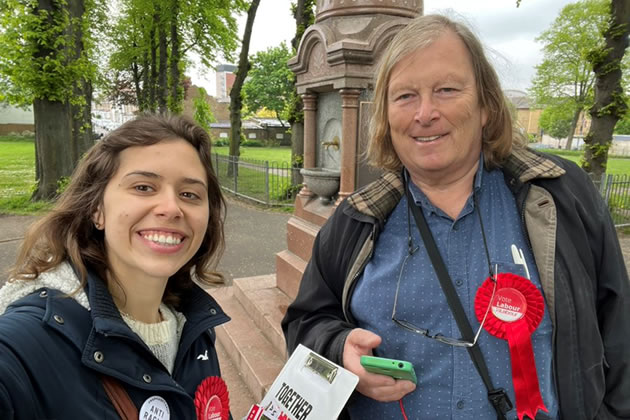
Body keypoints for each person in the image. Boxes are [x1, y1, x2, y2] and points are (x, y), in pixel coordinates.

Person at [282, 14, 630, 420]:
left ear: (485, 106)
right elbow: (305, 324)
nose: (425, 112)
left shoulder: (559, 196)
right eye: (405, 96)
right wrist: (339, 349)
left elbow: (617, 324)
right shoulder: (355, 220)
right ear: (386, 117)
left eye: (447, 90)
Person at [0, 114, 233, 419]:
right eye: (143, 187)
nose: (171, 208)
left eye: (189, 194)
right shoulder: (26, 341)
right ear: (97, 209)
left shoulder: (195, 330)